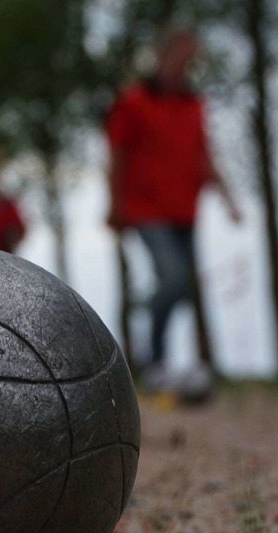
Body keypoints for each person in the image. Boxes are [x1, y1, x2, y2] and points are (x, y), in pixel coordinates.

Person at [106, 25, 241, 380]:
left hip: (185, 210)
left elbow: (204, 156)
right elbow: (118, 155)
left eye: (191, 57)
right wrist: (114, 204)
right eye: (180, 54)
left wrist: (229, 200)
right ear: (163, 55)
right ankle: (154, 360)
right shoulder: (134, 102)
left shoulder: (195, 105)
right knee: (173, 278)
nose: (186, 63)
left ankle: (155, 347)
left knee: (180, 287)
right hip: (146, 210)